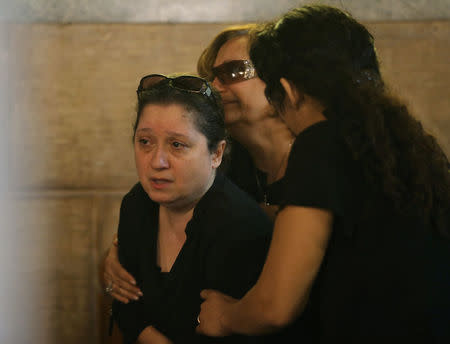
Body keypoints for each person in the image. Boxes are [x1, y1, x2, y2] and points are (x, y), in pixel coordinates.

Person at [196, 5, 450, 343]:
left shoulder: (321, 143)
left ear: (287, 90)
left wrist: (224, 316)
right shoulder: (393, 146)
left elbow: (275, 306)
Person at [103, 23, 295, 304]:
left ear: (281, 79)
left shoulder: (318, 160)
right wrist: (118, 254)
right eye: (212, 76)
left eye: (233, 72)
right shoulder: (221, 162)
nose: (216, 87)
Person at [111, 73, 275, 343]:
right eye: (145, 142)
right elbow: (125, 304)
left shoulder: (237, 225)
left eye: (177, 145)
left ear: (216, 154)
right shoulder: (137, 203)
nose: (157, 161)